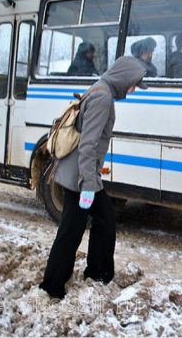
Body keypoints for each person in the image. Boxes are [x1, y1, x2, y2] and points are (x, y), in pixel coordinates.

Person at [39, 56, 147, 299]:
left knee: (86, 224)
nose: (132, 90)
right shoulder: (102, 97)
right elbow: (88, 146)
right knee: (85, 226)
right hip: (81, 177)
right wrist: (88, 185)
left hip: (80, 174)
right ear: (124, 77)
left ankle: (82, 276)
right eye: (132, 84)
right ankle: (65, 282)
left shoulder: (99, 89)